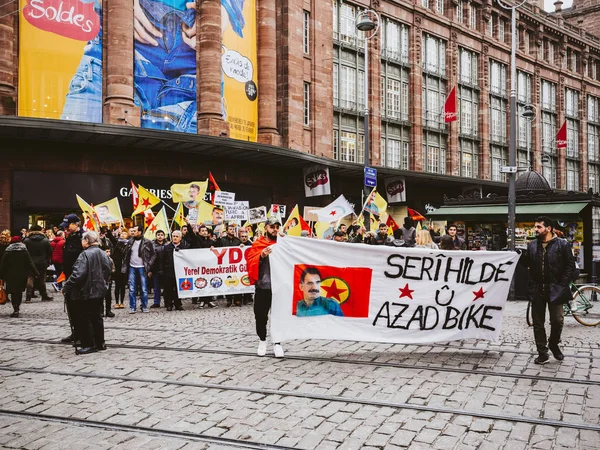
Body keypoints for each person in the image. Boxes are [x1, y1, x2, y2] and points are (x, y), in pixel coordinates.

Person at [522, 216, 575, 365]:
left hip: (555, 288)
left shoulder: (562, 245)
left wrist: (562, 284)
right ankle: (542, 352)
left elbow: (570, 265)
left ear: (548, 228)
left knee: (557, 320)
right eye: (535, 227)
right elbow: (527, 265)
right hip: (537, 288)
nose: (535, 230)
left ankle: (553, 343)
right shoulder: (532, 245)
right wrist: (520, 257)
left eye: (539, 227)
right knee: (538, 323)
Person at [62, 231, 112, 355]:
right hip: (99, 290)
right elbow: (108, 269)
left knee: (85, 318)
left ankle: (89, 344)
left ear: (86, 241)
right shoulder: (102, 253)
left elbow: (78, 274)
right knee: (97, 317)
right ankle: (100, 343)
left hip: (86, 290)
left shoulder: (85, 254)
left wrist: (67, 286)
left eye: (83, 240)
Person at [246, 217, 285, 358]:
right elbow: (250, 261)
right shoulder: (258, 244)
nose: (275, 230)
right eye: (272, 227)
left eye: (277, 227)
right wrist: (261, 256)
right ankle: (262, 340)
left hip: (279, 287)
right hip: (263, 286)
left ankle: (277, 343)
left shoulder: (283, 243)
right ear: (266, 228)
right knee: (261, 316)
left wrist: (287, 241)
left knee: (278, 316)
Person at [60, 214, 84, 344]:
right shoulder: (71, 237)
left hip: (77, 279)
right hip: (69, 277)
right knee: (71, 307)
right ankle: (75, 332)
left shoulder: (82, 238)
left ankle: (81, 334)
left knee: (78, 307)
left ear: (76, 224)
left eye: (68, 226)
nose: (66, 229)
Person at [0, 236, 38, 318]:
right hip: (22, 274)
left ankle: (15, 308)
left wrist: (1, 276)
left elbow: (3, 265)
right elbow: (30, 262)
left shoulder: (8, 251)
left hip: (10, 275)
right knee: (19, 291)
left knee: (13, 292)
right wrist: (36, 273)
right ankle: (17, 307)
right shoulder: (24, 251)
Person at [122, 225, 156, 313]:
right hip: (132, 267)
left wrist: (149, 264)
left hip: (142, 267)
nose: (133, 232)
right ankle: (132, 307)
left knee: (144, 288)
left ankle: (144, 306)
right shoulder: (130, 242)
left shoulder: (147, 242)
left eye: (135, 231)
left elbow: (153, 254)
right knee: (132, 288)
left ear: (140, 232)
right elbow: (126, 254)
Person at [23, 225, 53, 302]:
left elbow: (24, 252)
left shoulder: (26, 240)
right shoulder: (45, 240)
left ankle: (28, 297)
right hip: (42, 262)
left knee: (30, 278)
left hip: (30, 262)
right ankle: (44, 295)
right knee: (42, 279)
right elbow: (50, 251)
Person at [161, 230, 189, 311]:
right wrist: (162, 270)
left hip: (180, 271)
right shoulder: (167, 247)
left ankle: (178, 304)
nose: (175, 238)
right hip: (169, 270)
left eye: (177, 236)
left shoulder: (184, 247)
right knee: (168, 288)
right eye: (174, 236)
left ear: (180, 238)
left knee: (178, 288)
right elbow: (162, 259)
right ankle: (169, 304)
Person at [216, 223, 243, 307]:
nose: (232, 231)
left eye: (233, 229)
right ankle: (229, 299)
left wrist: (242, 246)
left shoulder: (238, 240)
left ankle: (237, 299)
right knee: (227, 280)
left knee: (237, 280)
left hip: (236, 265)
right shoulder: (222, 240)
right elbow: (217, 247)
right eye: (230, 229)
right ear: (227, 231)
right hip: (226, 264)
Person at [108, 229, 129, 309]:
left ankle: (122, 302)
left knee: (123, 286)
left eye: (125, 233)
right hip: (117, 267)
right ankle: (116, 302)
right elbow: (111, 238)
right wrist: (108, 230)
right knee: (117, 286)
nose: (123, 235)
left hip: (124, 267)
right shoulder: (117, 243)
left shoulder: (128, 244)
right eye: (122, 233)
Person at [150, 230, 168, 308]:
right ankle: (156, 302)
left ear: (164, 236)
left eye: (161, 235)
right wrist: (150, 269)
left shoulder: (167, 245)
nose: (160, 236)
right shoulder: (152, 245)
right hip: (155, 268)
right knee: (156, 287)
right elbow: (150, 258)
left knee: (166, 287)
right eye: (158, 235)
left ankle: (167, 301)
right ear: (156, 236)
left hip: (166, 268)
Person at [103, 247, 116, 317]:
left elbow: (113, 268)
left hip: (108, 280)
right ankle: (101, 311)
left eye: (109, 251)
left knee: (108, 296)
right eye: (106, 251)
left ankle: (108, 310)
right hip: (102, 280)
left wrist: (112, 271)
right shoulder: (101, 259)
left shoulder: (111, 260)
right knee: (101, 296)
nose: (108, 253)